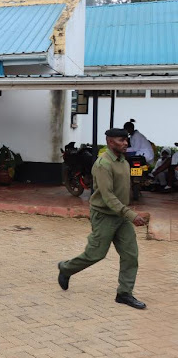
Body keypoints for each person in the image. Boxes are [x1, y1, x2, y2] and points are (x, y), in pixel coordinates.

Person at [57, 128, 149, 310]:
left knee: (131, 255)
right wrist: (131, 215)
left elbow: (122, 193)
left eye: (126, 140)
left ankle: (124, 293)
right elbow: (107, 197)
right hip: (105, 216)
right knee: (96, 254)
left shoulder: (124, 162)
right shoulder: (103, 164)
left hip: (121, 217)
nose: (125, 143)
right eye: (121, 140)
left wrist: (127, 213)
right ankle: (66, 268)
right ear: (109, 142)